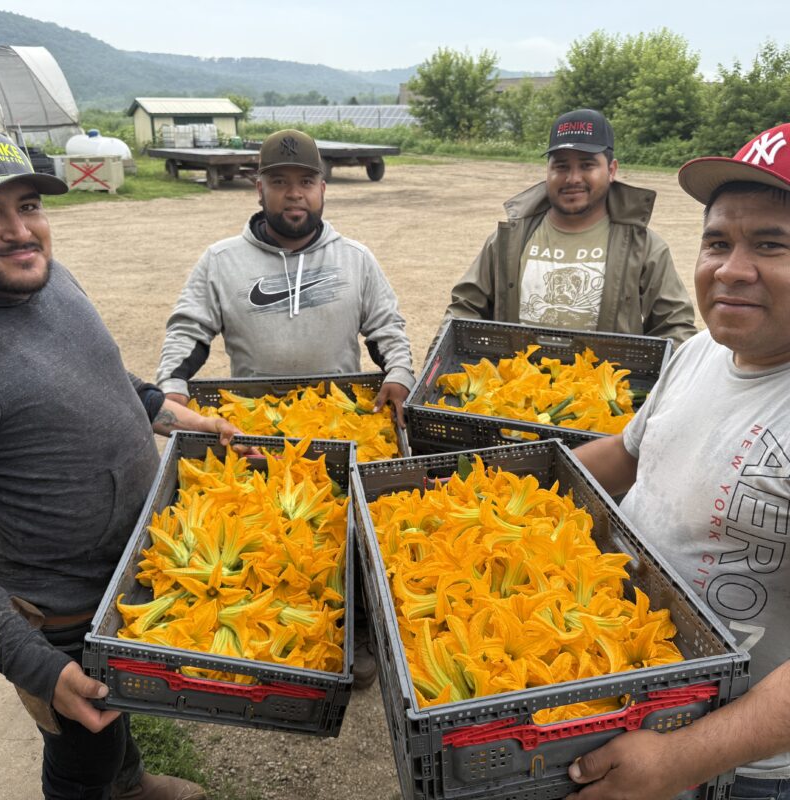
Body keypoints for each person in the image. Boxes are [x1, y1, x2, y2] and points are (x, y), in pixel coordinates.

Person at [0, 132, 246, 799]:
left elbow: (107, 374)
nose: (19, 232)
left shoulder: (52, 279)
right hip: (60, 611)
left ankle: (129, 786)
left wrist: (182, 417)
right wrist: (40, 669)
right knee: (82, 749)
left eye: (28, 206)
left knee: (116, 712)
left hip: (130, 565)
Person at [566, 122, 790, 799]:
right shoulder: (699, 352)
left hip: (742, 769)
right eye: (717, 242)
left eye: (772, 245)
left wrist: (683, 759)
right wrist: (491, 491)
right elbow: (628, 456)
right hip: (626, 690)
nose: (731, 269)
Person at [155, 128, 415, 425]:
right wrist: (172, 384)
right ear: (260, 190)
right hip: (255, 423)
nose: (294, 194)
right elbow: (188, 331)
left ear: (322, 189)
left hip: (338, 422)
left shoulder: (356, 259)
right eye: (279, 182)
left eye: (306, 182)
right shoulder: (221, 260)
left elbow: (386, 327)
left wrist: (399, 372)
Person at [438, 108, 697, 347]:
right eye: (561, 166)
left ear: (611, 170)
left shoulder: (644, 247)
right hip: (515, 381)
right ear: (547, 170)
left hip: (605, 384)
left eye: (587, 165)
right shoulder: (508, 239)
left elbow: (675, 326)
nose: (573, 178)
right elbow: (464, 308)